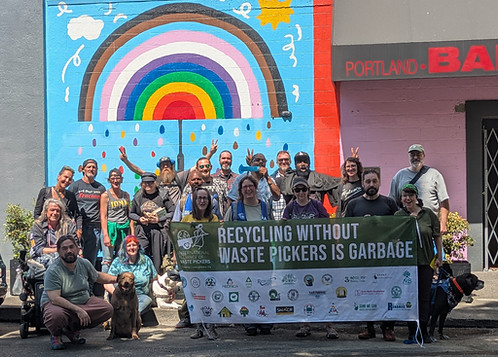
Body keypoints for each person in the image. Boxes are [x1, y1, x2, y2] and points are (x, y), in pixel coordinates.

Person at [344, 168, 398, 341]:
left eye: (374, 181)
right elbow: (347, 231)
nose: (371, 184)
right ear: (362, 184)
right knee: (365, 293)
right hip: (363, 257)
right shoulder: (353, 204)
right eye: (368, 182)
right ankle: (369, 327)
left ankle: (388, 328)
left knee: (387, 293)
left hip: (386, 257)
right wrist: (362, 225)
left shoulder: (389, 203)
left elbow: (398, 227)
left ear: (380, 182)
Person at [282, 177, 338, 339]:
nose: (301, 193)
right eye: (297, 190)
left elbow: (327, 224)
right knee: (302, 291)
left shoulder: (316, 205)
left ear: (308, 190)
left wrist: (332, 245)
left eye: (303, 189)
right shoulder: (290, 207)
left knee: (324, 289)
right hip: (299, 256)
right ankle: (305, 324)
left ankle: (329, 325)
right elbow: (283, 228)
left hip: (318, 254)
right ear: (293, 192)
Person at [41, 235, 117, 350]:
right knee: (56, 315)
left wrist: (118, 279)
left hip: (82, 301)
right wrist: (78, 310)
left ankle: (72, 329)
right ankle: (56, 334)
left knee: (107, 309)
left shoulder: (84, 263)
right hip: (58, 305)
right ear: (59, 252)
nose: (69, 251)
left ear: (77, 248)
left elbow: (97, 276)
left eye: (71, 247)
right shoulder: (53, 271)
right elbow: (54, 298)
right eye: (64, 248)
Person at [224, 175, 273, 336]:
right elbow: (224, 230)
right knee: (246, 289)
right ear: (240, 190)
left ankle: (264, 320)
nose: (248, 189)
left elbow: (273, 230)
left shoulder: (265, 207)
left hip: (263, 257)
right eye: (244, 187)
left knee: (264, 289)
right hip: (242, 258)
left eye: (250, 186)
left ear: (255, 188)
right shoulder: (234, 208)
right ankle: (249, 321)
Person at [394, 184, 443, 344]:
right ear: (401, 198)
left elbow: (437, 236)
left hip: (425, 262)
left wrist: (439, 256)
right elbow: (393, 237)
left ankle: (423, 330)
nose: (408, 199)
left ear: (416, 197)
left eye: (411, 195)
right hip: (407, 264)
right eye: (404, 196)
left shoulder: (428, 214)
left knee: (424, 296)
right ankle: (411, 330)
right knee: (410, 296)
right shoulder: (398, 215)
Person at [181, 188, 219, 340]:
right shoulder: (186, 220)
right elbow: (180, 240)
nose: (202, 201)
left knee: (210, 296)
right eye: (199, 198)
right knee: (195, 297)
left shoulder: (214, 219)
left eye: (205, 198)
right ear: (194, 201)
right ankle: (198, 328)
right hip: (193, 265)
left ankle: (211, 327)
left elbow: (215, 238)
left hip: (210, 263)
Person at [389, 144, 450, 234]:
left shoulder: (434, 175)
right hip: (405, 225)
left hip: (429, 225)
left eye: (418, 154)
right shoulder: (399, 176)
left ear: (424, 156)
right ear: (409, 157)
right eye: (412, 155)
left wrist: (443, 223)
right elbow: (392, 202)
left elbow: (444, 202)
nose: (415, 157)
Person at [129, 172, 175, 274]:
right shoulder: (138, 196)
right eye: (145, 183)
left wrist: (159, 219)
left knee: (157, 257)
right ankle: (141, 277)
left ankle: (157, 278)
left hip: (158, 230)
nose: (148, 185)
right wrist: (139, 218)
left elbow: (173, 212)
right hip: (142, 230)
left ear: (155, 183)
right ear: (142, 184)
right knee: (141, 253)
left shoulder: (162, 195)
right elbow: (131, 213)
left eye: (150, 182)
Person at [104, 235, 158, 315]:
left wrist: (167, 289)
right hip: (121, 296)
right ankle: (130, 317)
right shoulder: (117, 262)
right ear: (124, 248)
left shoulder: (146, 260)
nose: (132, 248)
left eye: (134, 245)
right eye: (129, 246)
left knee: (147, 300)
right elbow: (107, 283)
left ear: (138, 247)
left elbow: (155, 278)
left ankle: (131, 315)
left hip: (139, 296)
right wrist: (116, 294)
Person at [68, 159, 105, 267]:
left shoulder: (100, 188)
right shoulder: (75, 186)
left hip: (95, 228)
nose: (91, 169)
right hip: (78, 227)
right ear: (83, 169)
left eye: (94, 167)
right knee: (74, 257)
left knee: (90, 261)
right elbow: (68, 205)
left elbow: (103, 209)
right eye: (89, 167)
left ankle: (89, 283)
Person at [30, 198, 77, 268]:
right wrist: (58, 250)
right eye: (52, 210)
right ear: (46, 211)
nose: (55, 213)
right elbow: (38, 249)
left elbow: (74, 244)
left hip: (65, 255)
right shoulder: (38, 226)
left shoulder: (69, 224)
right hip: (44, 258)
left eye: (57, 211)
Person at [99, 168, 130, 273]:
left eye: (117, 178)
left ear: (121, 179)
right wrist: (106, 235)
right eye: (113, 178)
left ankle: (120, 285)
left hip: (123, 230)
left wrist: (132, 233)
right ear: (109, 180)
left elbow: (129, 215)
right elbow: (103, 216)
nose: (115, 180)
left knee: (122, 259)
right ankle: (106, 287)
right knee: (107, 260)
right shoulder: (105, 195)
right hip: (110, 230)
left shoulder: (126, 195)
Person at [34, 166, 81, 230]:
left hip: (65, 230)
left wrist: (79, 230)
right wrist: (42, 228)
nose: (67, 180)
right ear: (59, 176)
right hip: (47, 231)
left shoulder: (70, 196)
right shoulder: (45, 192)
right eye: (65, 177)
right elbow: (37, 213)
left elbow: (77, 215)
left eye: (70, 179)